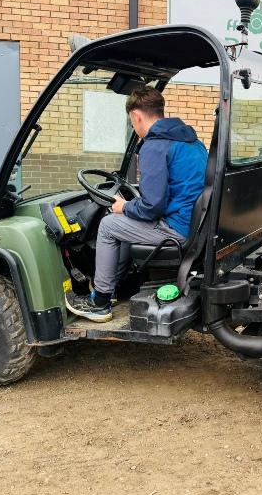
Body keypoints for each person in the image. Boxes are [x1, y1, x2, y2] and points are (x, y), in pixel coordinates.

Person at [66, 86, 208, 321]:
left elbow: (153, 206)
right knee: (124, 221)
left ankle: (100, 301)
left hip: (176, 230)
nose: (134, 127)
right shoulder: (192, 143)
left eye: (132, 123)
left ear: (137, 116)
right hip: (193, 225)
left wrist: (124, 207)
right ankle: (115, 288)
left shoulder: (155, 146)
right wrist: (131, 209)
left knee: (109, 225)